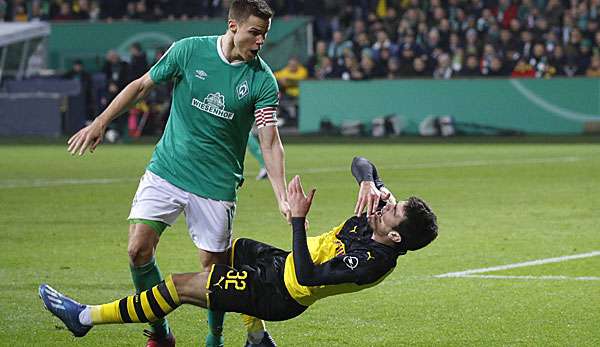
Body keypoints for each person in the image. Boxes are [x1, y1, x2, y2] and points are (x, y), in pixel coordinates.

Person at [64, 1, 289, 346]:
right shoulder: (188, 51)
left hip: (216, 185)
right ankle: (159, 332)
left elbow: (270, 142)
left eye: (264, 36)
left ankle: (215, 337)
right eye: (254, 33)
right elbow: (141, 86)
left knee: (214, 273)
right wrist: (101, 121)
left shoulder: (262, 80)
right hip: (167, 169)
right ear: (233, 26)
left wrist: (282, 197)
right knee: (138, 250)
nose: (260, 42)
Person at [39, 157, 439, 342]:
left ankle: (85, 318)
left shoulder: (371, 263)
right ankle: (256, 340)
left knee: (180, 285)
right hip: (278, 265)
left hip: (280, 293)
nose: (388, 203)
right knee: (234, 250)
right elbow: (361, 162)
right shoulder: (377, 208)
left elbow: (306, 276)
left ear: (396, 238)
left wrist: (298, 221)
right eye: (392, 199)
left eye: (394, 209)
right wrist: (369, 180)